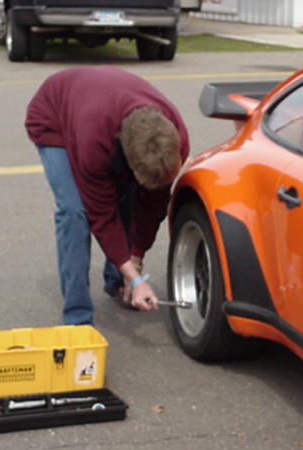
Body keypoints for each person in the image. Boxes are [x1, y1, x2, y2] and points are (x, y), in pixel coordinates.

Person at [25, 66, 190, 326]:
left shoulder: (175, 137)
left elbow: (153, 206)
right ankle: (77, 316)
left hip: (99, 104)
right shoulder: (95, 145)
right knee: (75, 211)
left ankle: (118, 281)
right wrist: (136, 279)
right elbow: (100, 214)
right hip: (54, 116)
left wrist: (135, 260)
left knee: (128, 195)